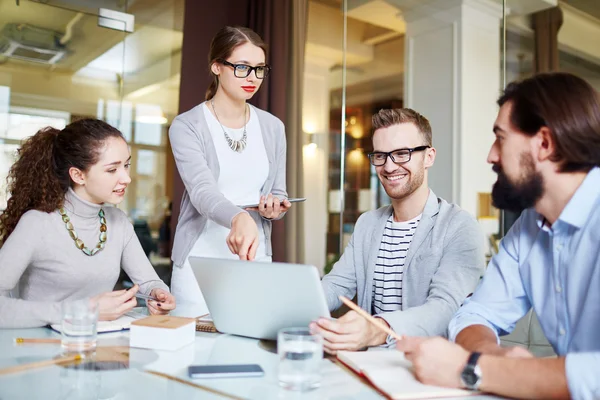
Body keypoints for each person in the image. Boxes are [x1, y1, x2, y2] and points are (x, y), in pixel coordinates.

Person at [397, 72, 600, 400]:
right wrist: (492, 355)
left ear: (544, 144)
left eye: (501, 138)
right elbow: (475, 314)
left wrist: (475, 370)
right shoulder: (529, 227)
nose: (491, 155)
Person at [314, 108, 485, 354]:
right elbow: (336, 285)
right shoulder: (367, 224)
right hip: (366, 364)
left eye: (402, 154)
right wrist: (293, 306)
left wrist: (376, 329)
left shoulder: (459, 226)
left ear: (429, 157)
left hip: (426, 368)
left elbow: (444, 309)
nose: (389, 166)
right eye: (380, 156)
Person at [0, 119, 176, 329]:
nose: (126, 178)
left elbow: (148, 282)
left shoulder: (118, 222)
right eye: (112, 170)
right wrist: (84, 310)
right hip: (38, 347)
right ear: (78, 175)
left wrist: (158, 294)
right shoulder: (37, 224)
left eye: (126, 165)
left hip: (96, 347)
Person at [169, 26, 291, 306]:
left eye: (260, 69)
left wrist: (274, 209)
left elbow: (279, 191)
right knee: (195, 347)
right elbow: (201, 192)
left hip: (254, 258)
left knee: (251, 346)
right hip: (200, 262)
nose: (252, 78)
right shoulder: (188, 126)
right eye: (242, 67)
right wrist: (238, 217)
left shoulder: (273, 127)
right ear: (216, 66)